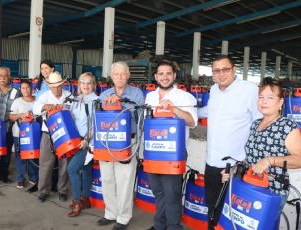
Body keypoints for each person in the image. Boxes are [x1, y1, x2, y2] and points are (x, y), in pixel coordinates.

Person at [221, 77, 301, 213]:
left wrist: (270, 161)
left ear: (280, 102)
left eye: (270, 98)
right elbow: (251, 157)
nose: (264, 101)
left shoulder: (286, 126)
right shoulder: (256, 124)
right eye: (261, 97)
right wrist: (233, 170)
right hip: (250, 186)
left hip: (271, 192)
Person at [205, 55, 262, 229]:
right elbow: (209, 113)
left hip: (233, 166)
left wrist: (246, 160)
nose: (221, 74)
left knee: (229, 211)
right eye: (216, 70)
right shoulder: (214, 89)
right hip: (211, 162)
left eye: (225, 69)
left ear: (234, 69)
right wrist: (183, 111)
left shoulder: (249, 90)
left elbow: (259, 123)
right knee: (211, 208)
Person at [145, 60, 197, 230]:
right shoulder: (150, 96)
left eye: (168, 73)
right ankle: (160, 225)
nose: (165, 77)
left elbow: (192, 121)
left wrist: (174, 109)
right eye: (161, 74)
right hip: (153, 151)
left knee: (172, 194)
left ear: (174, 76)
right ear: (155, 76)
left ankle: (174, 227)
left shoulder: (184, 96)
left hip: (173, 153)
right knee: (158, 192)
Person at [97, 61, 144, 230]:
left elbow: (140, 117)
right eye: (116, 74)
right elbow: (100, 117)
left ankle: (123, 217)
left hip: (127, 142)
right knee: (107, 178)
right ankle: (110, 212)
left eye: (123, 74)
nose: (120, 77)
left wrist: (121, 103)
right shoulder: (103, 95)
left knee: (125, 180)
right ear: (111, 76)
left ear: (128, 75)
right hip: (107, 142)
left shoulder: (136, 93)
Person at [32, 71, 71, 202]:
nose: (56, 89)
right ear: (49, 86)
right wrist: (44, 106)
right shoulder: (44, 96)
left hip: (65, 134)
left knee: (64, 163)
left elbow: (74, 113)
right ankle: (43, 190)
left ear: (62, 84)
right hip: (47, 133)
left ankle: (63, 190)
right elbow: (35, 109)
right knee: (45, 163)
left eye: (58, 86)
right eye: (53, 86)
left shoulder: (69, 95)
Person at [67, 72, 98, 217]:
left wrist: (86, 140)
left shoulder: (96, 101)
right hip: (75, 141)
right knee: (85, 169)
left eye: (89, 83)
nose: (85, 85)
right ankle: (85, 199)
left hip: (87, 143)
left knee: (72, 169)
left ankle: (76, 201)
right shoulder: (75, 99)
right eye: (82, 82)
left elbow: (96, 124)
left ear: (94, 85)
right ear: (79, 84)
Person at [9, 80, 38, 189]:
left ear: (32, 88)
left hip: (34, 134)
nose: (26, 90)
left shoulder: (37, 100)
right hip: (19, 133)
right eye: (23, 88)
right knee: (20, 156)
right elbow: (11, 117)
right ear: (20, 90)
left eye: (28, 87)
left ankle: (33, 176)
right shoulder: (17, 101)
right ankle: (20, 179)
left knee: (33, 155)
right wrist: (22, 115)